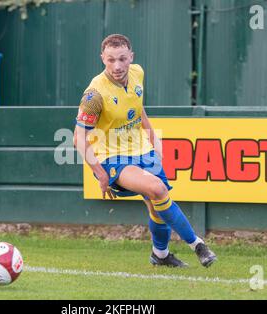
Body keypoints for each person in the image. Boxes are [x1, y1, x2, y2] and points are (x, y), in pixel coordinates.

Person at [73, 34, 217, 268]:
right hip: (112, 158)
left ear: (131, 57)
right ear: (102, 59)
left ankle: (160, 255)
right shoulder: (94, 95)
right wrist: (100, 174)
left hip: (142, 149)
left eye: (122, 59)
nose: (117, 66)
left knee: (156, 206)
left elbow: (137, 109)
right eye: (110, 60)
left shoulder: (138, 72)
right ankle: (198, 245)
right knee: (157, 189)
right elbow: (78, 137)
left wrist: (153, 139)